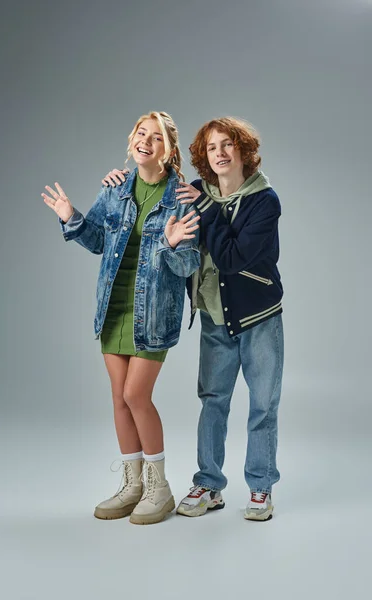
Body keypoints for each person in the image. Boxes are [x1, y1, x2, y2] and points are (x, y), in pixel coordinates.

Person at [102, 116, 284, 521]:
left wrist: (208, 211)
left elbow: (232, 258)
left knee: (262, 406)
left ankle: (260, 488)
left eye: (227, 145)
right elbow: (159, 186)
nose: (219, 153)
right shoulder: (198, 192)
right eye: (211, 148)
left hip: (259, 318)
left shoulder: (264, 200)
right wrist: (120, 180)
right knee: (213, 402)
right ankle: (208, 485)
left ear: (244, 152)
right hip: (215, 320)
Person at [41, 111, 200, 525]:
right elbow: (96, 240)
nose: (146, 141)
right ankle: (133, 486)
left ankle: (159, 488)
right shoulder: (114, 190)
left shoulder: (180, 198)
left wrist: (169, 244)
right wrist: (70, 215)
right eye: (140, 134)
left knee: (135, 396)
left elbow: (187, 266)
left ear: (168, 150)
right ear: (132, 141)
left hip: (153, 314)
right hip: (112, 308)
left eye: (156, 137)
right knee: (118, 398)